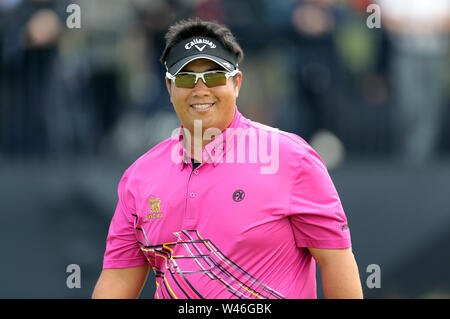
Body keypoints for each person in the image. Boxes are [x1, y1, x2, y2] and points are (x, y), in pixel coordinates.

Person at [92, 18, 363, 299]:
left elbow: (336, 262)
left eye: (214, 76)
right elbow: (118, 281)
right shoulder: (139, 176)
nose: (200, 89)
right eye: (186, 78)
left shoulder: (292, 159)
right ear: (169, 87)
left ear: (236, 83)